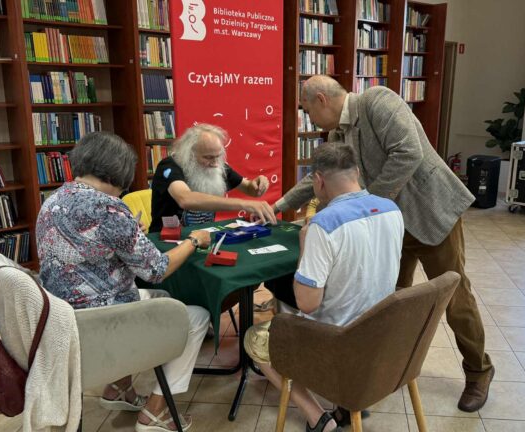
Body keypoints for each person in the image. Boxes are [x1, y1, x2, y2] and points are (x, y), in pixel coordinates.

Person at [273, 75, 495, 415]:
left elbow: (409, 152)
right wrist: (279, 205)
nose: (310, 119)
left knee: (456, 299)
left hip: (432, 215)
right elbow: (316, 177)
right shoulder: (337, 135)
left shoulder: (377, 100)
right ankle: (375, 378)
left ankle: (479, 371)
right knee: (385, 304)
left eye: (307, 111)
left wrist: (367, 207)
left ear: (321, 99)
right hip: (391, 223)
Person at [37, 132, 211, 432]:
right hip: (99, 324)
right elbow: (156, 268)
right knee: (195, 317)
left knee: (150, 296)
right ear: (118, 170)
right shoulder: (109, 209)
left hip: (62, 317)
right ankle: (157, 412)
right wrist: (195, 240)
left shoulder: (56, 198)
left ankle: (118, 389)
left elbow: (92, 250)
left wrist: (131, 232)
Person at [245, 144, 404, 432]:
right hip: (382, 334)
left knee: (255, 339)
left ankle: (317, 418)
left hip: (336, 341)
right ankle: (346, 401)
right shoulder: (392, 209)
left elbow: (307, 303)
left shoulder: (323, 225)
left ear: (317, 180)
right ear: (356, 172)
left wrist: (306, 246)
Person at [149, 123, 276, 231]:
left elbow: (249, 189)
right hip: (166, 242)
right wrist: (244, 204)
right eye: (208, 157)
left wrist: (259, 184)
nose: (215, 163)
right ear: (190, 155)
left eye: (218, 156)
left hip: (201, 238)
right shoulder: (169, 166)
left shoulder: (218, 167)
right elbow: (185, 199)